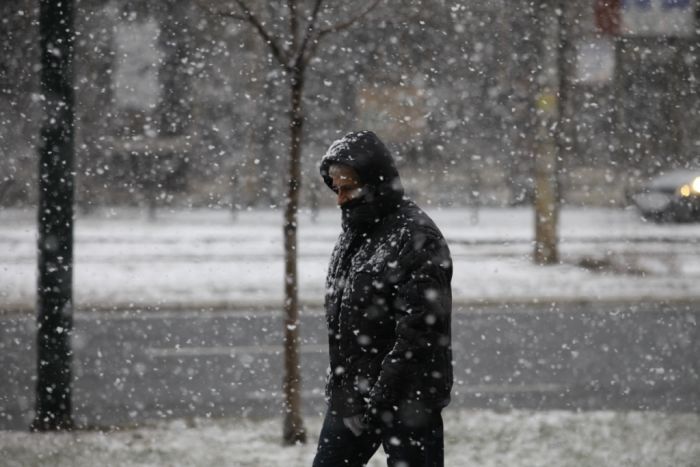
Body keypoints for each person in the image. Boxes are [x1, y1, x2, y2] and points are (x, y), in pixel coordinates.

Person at [313, 131, 453, 467]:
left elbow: (419, 333)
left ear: (373, 182)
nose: (340, 198)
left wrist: (380, 397)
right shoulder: (355, 233)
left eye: (347, 187)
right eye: (336, 188)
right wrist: (348, 392)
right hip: (354, 397)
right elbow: (343, 319)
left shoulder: (416, 237)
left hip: (409, 402)